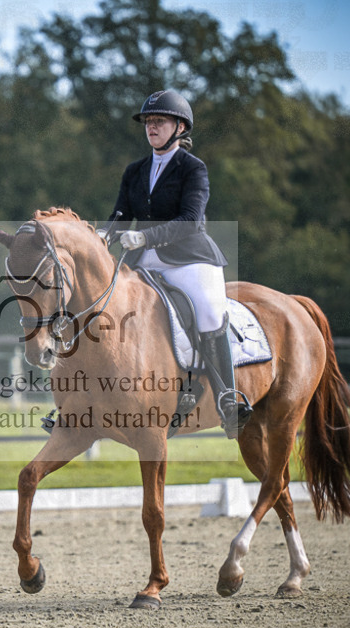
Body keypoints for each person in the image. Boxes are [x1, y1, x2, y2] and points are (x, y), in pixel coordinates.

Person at [105, 89, 253, 438]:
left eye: (159, 121)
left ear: (180, 126)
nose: (151, 127)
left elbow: (191, 219)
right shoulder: (135, 170)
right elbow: (120, 214)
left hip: (191, 258)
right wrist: (103, 236)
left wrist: (145, 237)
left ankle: (227, 398)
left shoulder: (193, 168)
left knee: (208, 312)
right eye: (148, 122)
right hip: (146, 261)